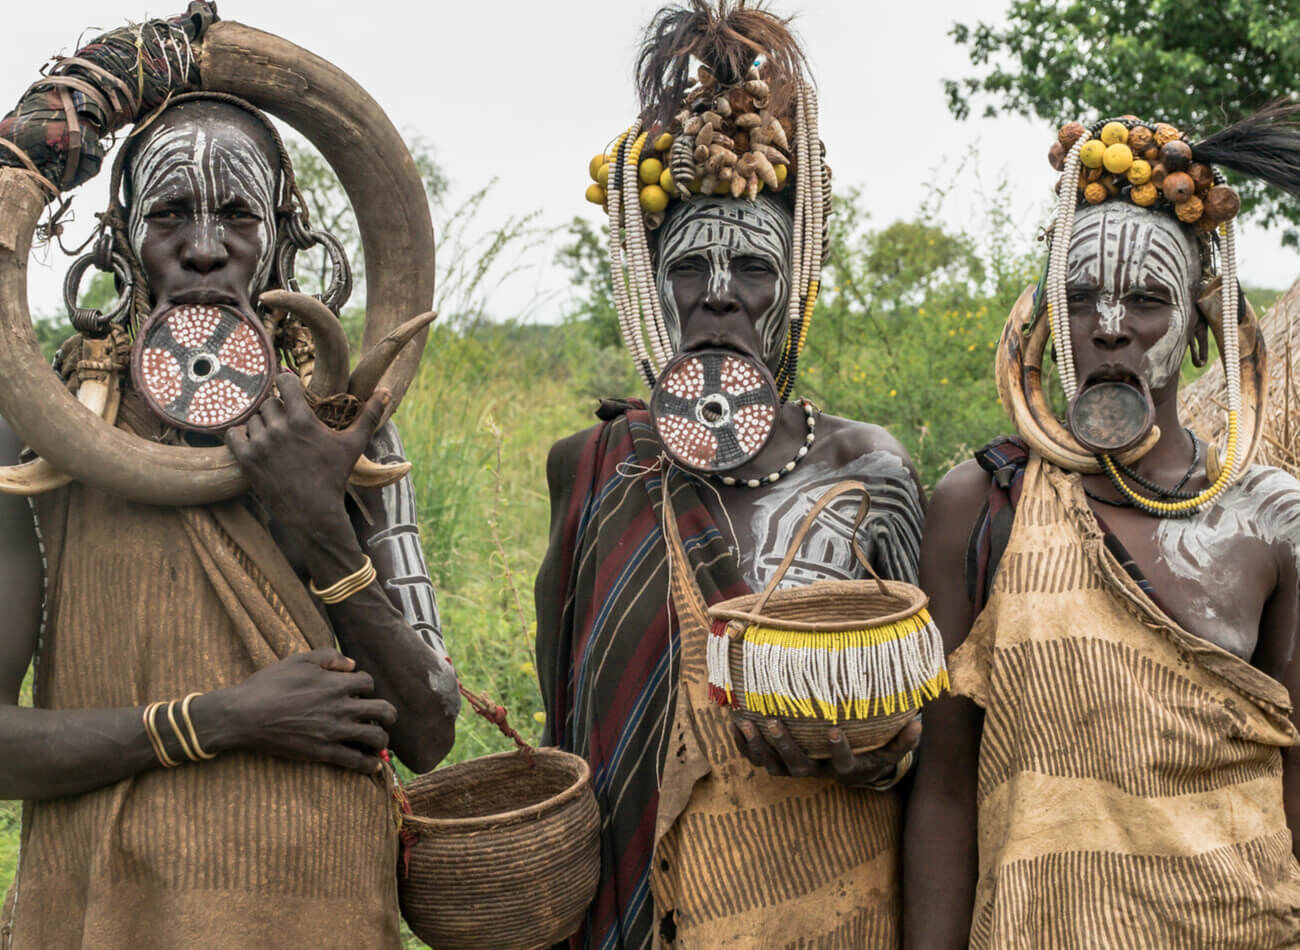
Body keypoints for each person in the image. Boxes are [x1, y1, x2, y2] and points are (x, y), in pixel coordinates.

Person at [0, 10, 456, 948]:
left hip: (317, 915)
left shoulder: (349, 430)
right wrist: (220, 720)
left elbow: (428, 729)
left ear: (285, 239)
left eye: (237, 216)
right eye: (170, 215)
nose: (204, 249)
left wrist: (318, 522)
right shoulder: (42, 437)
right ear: (121, 242)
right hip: (100, 918)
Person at [536, 3, 924, 946]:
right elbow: (567, 729)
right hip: (633, 908)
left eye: (751, 266)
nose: (718, 293)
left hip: (819, 908)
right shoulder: (591, 467)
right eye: (689, 269)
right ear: (652, 289)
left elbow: (926, 737)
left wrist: (878, 752)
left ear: (793, 285)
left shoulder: (867, 469)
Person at [904, 108, 1300, 948]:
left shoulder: (1272, 521)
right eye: (1080, 298)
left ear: (1201, 327)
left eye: (1149, 301)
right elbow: (941, 785)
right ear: (1048, 316)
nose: (1112, 325)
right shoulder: (980, 504)